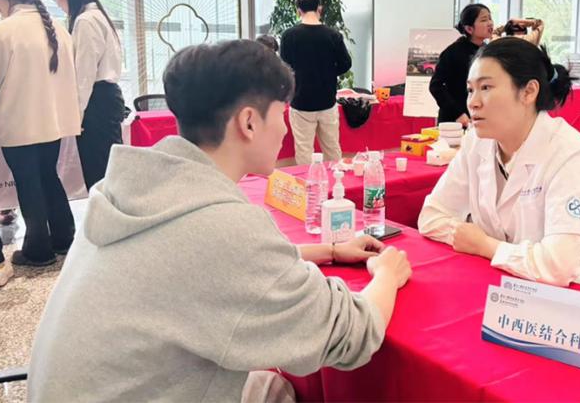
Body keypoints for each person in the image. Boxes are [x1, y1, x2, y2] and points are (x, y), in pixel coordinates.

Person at [27, 40, 412, 401]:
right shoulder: (224, 228)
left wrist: (328, 250)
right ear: (249, 122)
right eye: (281, 113)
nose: (284, 127)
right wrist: (386, 276)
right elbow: (350, 335)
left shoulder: (129, 190)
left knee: (266, 384)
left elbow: (197, 259)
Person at [418, 37, 580, 292]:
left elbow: (557, 267)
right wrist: (464, 234)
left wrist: (484, 245)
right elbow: (431, 216)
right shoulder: (477, 141)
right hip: (501, 284)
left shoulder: (569, 153)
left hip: (570, 296)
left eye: (486, 87)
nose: (473, 102)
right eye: (470, 90)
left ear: (529, 92)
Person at [0, 0, 80, 279]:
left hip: (20, 120)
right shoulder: (56, 27)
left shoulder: (2, 32)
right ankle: (64, 237)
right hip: (53, 122)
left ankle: (38, 250)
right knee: (48, 176)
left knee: (28, 183)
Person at [48, 0, 127, 190]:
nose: (58, 4)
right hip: (105, 97)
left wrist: (77, 116)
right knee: (108, 167)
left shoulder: (86, 21)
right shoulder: (98, 16)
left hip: (96, 100)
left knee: (98, 169)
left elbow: (84, 74)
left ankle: (104, 210)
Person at [280, 0, 351, 165]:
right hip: (327, 100)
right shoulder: (333, 35)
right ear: (320, 9)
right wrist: (328, 72)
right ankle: (336, 179)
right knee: (332, 148)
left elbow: (284, 65)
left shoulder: (289, 35)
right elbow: (346, 64)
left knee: (304, 149)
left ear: (298, 11)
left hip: (300, 101)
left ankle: (307, 181)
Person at [430, 3, 493, 126]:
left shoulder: (489, 50)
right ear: (469, 29)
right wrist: (457, 113)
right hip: (455, 119)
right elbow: (436, 86)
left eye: (490, 18)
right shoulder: (452, 52)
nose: (490, 23)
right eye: (484, 20)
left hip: (480, 114)